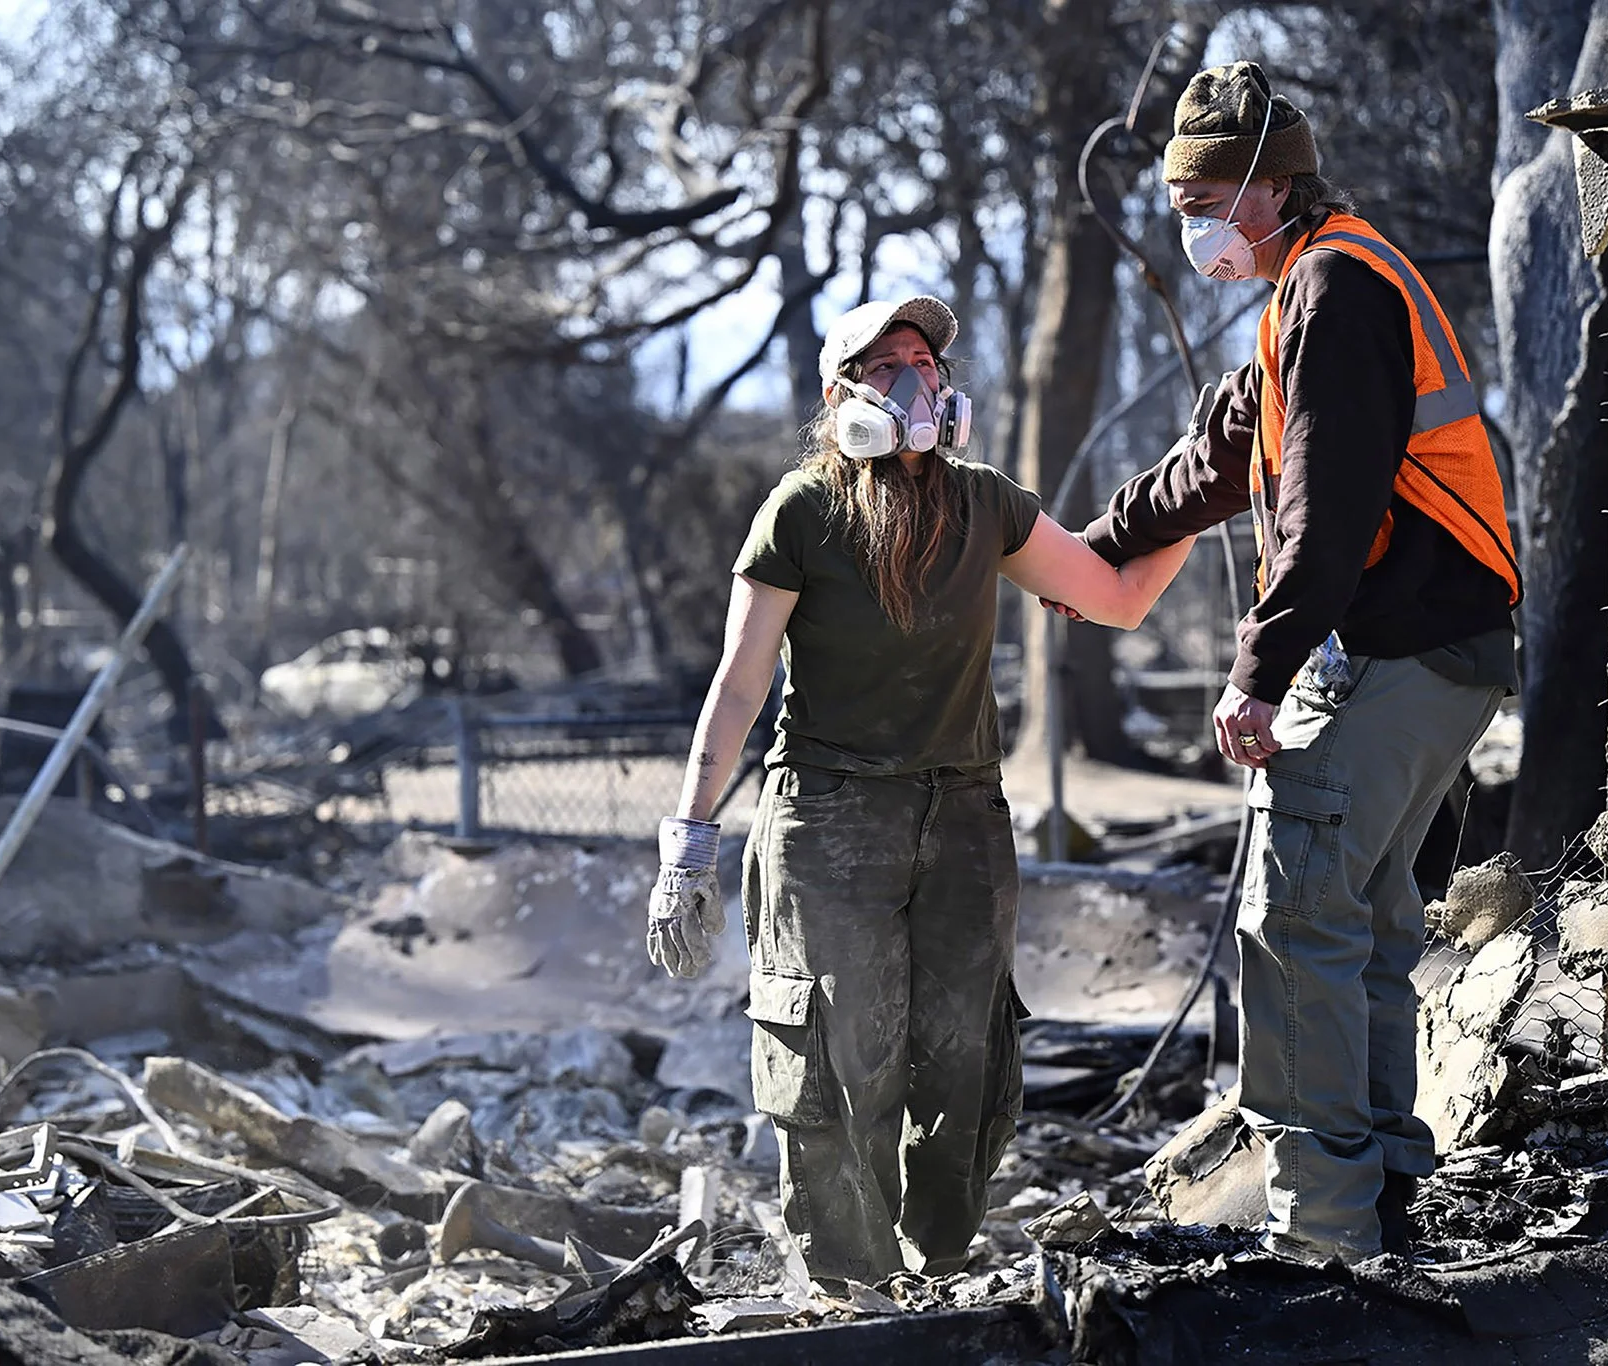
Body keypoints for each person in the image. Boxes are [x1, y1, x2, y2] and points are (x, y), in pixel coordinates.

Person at [1069, 62, 1522, 1264]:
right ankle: (1379, 1209)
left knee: (1291, 925)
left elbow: (1322, 518)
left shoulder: (1333, 286)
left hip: (1391, 647)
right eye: (1178, 204)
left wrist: (1253, 675)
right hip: (1440, 652)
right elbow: (1216, 464)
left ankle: (1320, 1241)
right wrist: (1076, 558)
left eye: (1202, 200)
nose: (1191, 225)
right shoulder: (1304, 297)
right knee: (1364, 923)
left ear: (1271, 187)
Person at [644, 294, 1193, 1285]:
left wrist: (1209, 493)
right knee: (834, 1055)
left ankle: (938, 1271)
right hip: (828, 817)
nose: (916, 379)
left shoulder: (984, 501)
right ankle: (843, 1286)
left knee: (961, 1059)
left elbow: (1112, 596)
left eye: (926, 362)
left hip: (961, 815)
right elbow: (737, 682)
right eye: (888, 363)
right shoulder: (801, 511)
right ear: (843, 393)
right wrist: (688, 839)